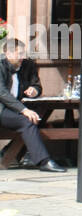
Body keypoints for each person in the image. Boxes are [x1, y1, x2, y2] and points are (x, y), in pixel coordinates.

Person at [0, 39, 64, 172]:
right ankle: (43, 161)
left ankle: (13, 153)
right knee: (27, 121)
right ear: (8, 54)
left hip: (19, 106)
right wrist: (24, 110)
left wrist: (34, 90)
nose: (23, 57)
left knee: (37, 117)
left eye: (24, 53)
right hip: (3, 108)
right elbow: (2, 93)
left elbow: (37, 85)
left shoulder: (28, 64)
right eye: (20, 54)